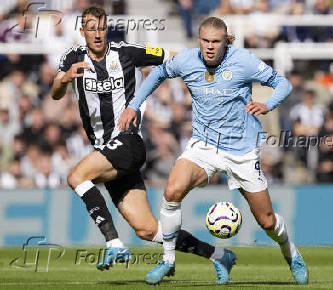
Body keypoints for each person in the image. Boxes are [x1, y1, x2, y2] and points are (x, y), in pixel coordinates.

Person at [50, 6, 235, 284]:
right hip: (105, 151)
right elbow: (55, 92)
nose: (97, 34)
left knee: (77, 176)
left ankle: (113, 244)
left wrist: (208, 76)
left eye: (101, 28)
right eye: (91, 28)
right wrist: (64, 78)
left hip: (128, 142)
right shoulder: (72, 57)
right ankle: (218, 255)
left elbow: (171, 57)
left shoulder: (127, 53)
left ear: (106, 28)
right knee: (148, 230)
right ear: (82, 32)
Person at [118, 16, 309, 285]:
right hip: (204, 145)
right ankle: (168, 261)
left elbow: (283, 84)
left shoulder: (243, 61)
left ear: (225, 41)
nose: (210, 46)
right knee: (172, 191)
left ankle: (292, 254)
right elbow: (158, 74)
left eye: (215, 41)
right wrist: (134, 105)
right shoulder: (186, 60)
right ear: (199, 40)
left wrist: (268, 105)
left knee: (266, 221)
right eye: (205, 41)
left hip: (241, 150)